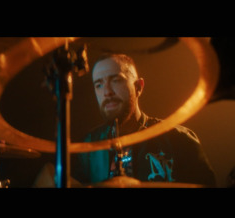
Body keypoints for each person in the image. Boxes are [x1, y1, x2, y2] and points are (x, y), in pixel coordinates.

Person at [33, 53, 217, 188]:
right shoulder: (86, 148)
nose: (107, 92)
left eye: (116, 80)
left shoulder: (179, 140)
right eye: (99, 84)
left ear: (138, 87)